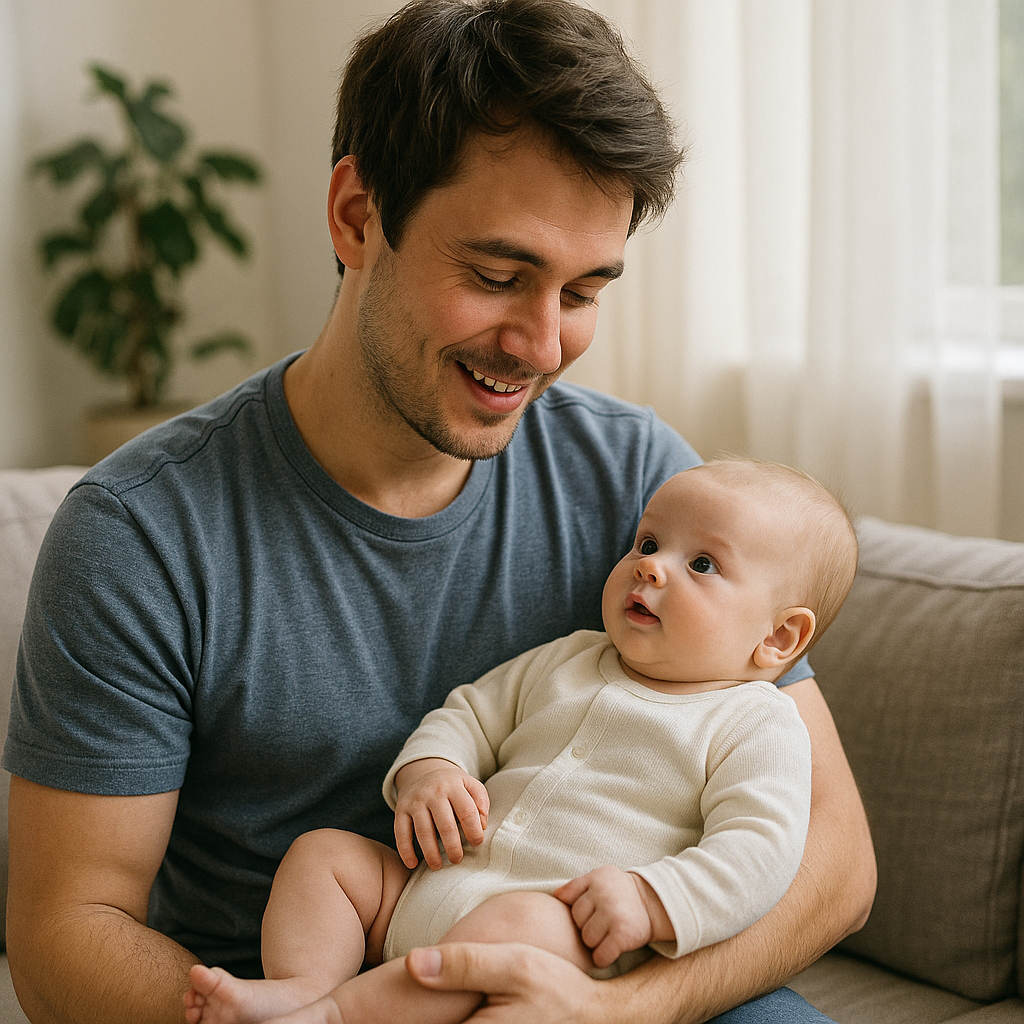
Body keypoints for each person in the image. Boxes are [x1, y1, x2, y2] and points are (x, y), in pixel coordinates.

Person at [3, 3, 875, 1024]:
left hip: (602, 979)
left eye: (583, 291)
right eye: (497, 276)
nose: (542, 344)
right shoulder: (140, 532)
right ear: (357, 216)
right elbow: (64, 933)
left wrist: (623, 1010)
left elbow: (835, 855)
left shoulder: (645, 484)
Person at [182, 458, 859, 1024]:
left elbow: (760, 848)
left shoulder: (755, 723)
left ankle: (336, 1017)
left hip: (562, 935)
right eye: (648, 545)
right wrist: (432, 771)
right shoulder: (569, 657)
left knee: (519, 924)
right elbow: (471, 713)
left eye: (703, 564)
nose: (652, 569)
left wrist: (653, 900)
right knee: (324, 857)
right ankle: (307, 986)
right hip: (426, 891)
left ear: (778, 638)